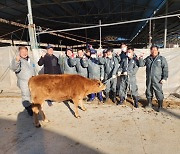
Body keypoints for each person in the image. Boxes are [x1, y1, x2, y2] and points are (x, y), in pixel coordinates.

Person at [139, 45, 168, 112]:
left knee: (158, 92)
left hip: (158, 80)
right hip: (149, 79)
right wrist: (140, 58)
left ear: (158, 51)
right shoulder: (148, 58)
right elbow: (141, 64)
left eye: (155, 50)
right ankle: (149, 104)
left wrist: (164, 78)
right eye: (152, 50)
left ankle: (160, 106)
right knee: (148, 91)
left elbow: (165, 69)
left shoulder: (161, 59)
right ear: (150, 51)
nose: (154, 51)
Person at [10, 46, 35, 116]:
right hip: (24, 82)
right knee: (26, 96)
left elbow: (34, 69)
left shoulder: (30, 60)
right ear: (19, 53)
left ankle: (33, 106)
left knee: (32, 95)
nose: (24, 53)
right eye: (22, 51)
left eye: (25, 51)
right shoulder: (18, 60)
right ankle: (28, 108)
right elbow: (14, 68)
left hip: (33, 82)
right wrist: (16, 61)